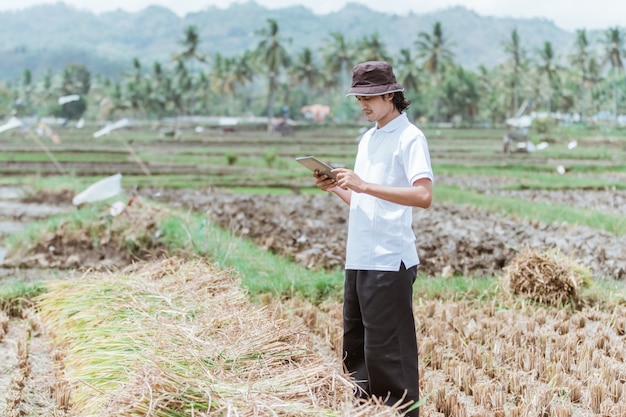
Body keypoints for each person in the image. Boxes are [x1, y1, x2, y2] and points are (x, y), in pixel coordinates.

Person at [314, 61, 433, 417]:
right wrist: (337, 187)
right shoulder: (368, 139)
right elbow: (365, 202)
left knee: (389, 354)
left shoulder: (410, 137)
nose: (362, 104)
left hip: (388, 259)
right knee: (357, 352)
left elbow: (423, 195)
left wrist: (364, 184)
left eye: (368, 96)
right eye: (358, 98)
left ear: (390, 94)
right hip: (360, 258)